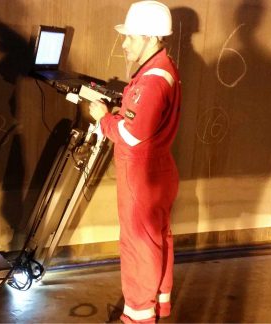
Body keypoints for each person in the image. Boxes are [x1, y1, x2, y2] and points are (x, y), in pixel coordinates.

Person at [89, 1, 181, 322]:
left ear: (149, 37)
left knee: (139, 248)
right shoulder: (163, 69)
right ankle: (161, 304)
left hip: (141, 177)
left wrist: (103, 118)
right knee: (158, 239)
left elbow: (130, 135)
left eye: (130, 37)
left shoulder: (152, 81)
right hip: (158, 170)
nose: (125, 44)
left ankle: (138, 317)